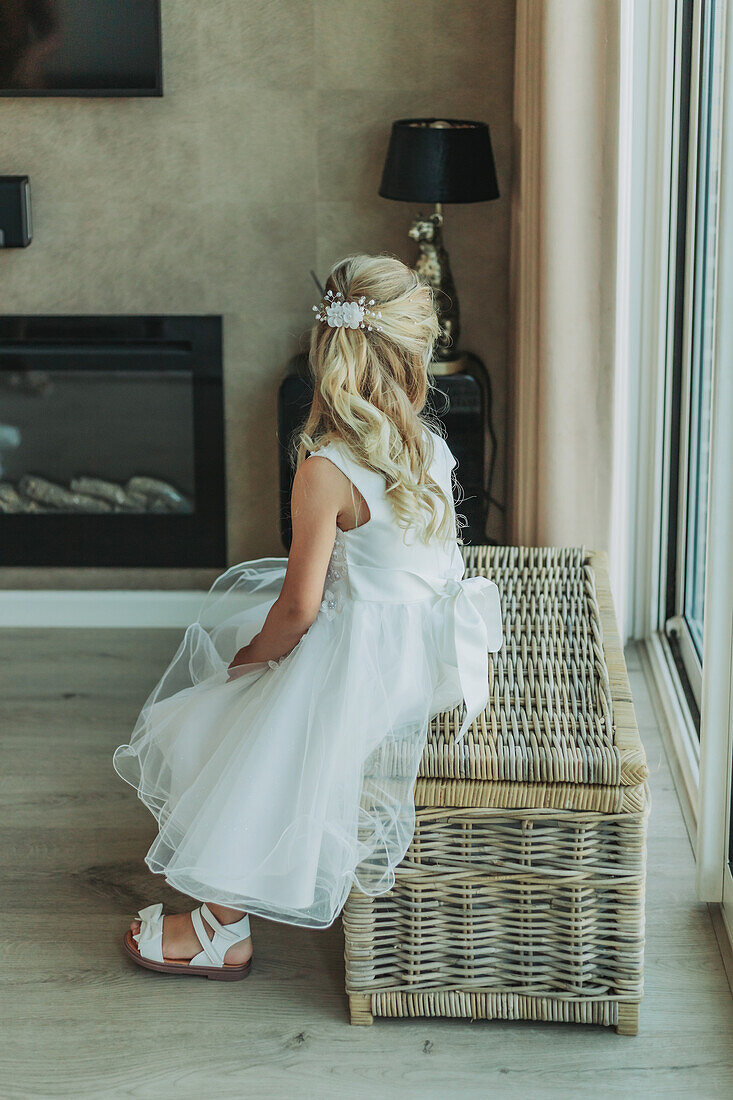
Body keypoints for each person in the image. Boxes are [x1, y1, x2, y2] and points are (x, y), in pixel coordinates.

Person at [114, 253, 503, 980]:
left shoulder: (327, 466)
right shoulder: (429, 442)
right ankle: (224, 904)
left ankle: (222, 928)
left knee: (228, 722)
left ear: (325, 350)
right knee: (248, 706)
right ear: (414, 352)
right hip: (434, 655)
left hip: (370, 666)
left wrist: (250, 663)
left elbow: (298, 608)